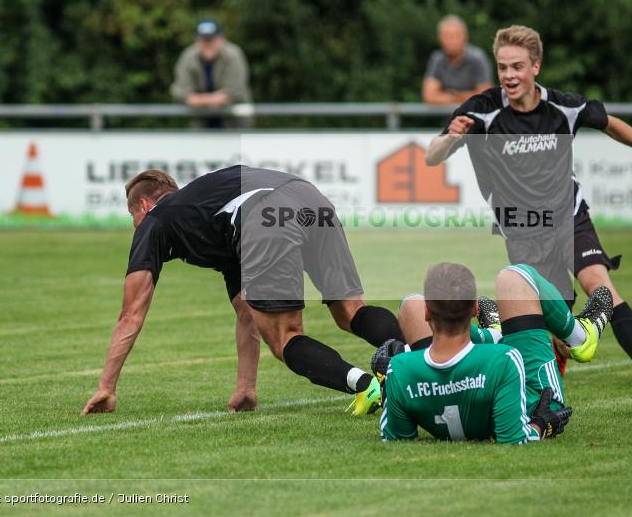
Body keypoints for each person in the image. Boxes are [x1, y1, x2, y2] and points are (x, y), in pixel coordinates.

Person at [426, 24, 632, 387]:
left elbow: (610, 124)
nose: (509, 76)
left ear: (536, 66)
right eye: (503, 68)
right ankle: (551, 350)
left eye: (517, 67)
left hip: (569, 216)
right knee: (553, 315)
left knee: (599, 284)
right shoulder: (482, 111)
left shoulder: (563, 106)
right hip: (522, 228)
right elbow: (432, 156)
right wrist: (452, 138)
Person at [81, 166, 404, 417]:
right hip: (310, 198)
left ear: (144, 205)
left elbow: (131, 315)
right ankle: (416, 358)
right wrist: (246, 388)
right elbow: (246, 311)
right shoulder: (206, 213)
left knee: (285, 336)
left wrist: (106, 387)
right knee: (350, 311)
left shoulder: (156, 220)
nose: (135, 225)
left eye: (133, 216)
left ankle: (368, 386)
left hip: (262, 213)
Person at [377, 262, 611, 443]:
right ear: (474, 309)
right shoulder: (505, 358)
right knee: (515, 276)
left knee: (410, 304)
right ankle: (579, 336)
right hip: (536, 405)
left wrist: (396, 374)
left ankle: (493, 333)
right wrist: (540, 425)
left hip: (440, 405)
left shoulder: (400, 369)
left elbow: (396, 437)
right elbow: (515, 437)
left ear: (428, 313)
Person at [170, 19, 252, 128]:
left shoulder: (233, 55)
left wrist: (196, 100)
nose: (208, 44)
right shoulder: (188, 57)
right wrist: (212, 99)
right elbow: (179, 92)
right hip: (201, 124)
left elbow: (234, 92)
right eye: (204, 40)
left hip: (234, 123)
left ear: (221, 39)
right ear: (196, 41)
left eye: (212, 39)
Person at [422, 15, 493, 105]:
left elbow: (485, 96)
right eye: (446, 36)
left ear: (465, 37)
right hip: (447, 114)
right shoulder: (437, 59)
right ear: (439, 38)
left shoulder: (478, 58)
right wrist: (464, 97)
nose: (451, 40)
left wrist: (450, 95)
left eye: (455, 36)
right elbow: (429, 96)